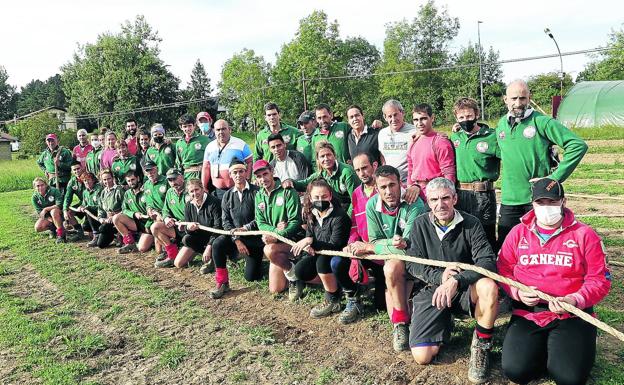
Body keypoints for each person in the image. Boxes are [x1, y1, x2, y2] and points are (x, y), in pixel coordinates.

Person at [497, 178, 611, 385]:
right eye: (541, 203)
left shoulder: (584, 235)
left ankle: (578, 343)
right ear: (532, 204)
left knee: (569, 378)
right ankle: (544, 349)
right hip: (529, 313)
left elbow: (600, 279)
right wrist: (517, 293)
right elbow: (503, 270)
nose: (546, 208)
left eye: (552, 202)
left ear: (563, 202)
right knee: (516, 371)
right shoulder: (518, 233)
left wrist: (576, 299)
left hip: (571, 314)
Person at [404, 177, 499, 384]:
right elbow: (412, 264)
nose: (440, 204)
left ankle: (481, 346)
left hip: (463, 288)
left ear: (455, 198)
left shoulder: (471, 223)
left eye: (445, 198)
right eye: (434, 199)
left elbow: (488, 262)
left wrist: (456, 280)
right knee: (422, 357)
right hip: (432, 289)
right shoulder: (420, 224)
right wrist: (440, 277)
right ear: (428, 202)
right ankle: (443, 320)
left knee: (488, 287)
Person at [496, 79, 587, 249]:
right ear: (505, 100)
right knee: (506, 246)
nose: (518, 103)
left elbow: (578, 145)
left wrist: (554, 178)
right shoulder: (501, 125)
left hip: (537, 198)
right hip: (509, 199)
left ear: (529, 98)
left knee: (539, 245)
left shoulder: (542, 122)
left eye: (522, 98)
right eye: (514, 98)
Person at [348, 165, 425, 352]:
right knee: (391, 269)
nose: (388, 191)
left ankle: (413, 300)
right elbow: (375, 240)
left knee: (392, 266)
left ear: (401, 184)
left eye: (392, 185)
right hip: (392, 261)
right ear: (376, 187)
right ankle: (400, 324)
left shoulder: (415, 204)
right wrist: (379, 245)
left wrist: (370, 247)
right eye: (383, 187)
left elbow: (408, 246)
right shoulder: (371, 205)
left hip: (419, 259)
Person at [336, 152, 386, 324]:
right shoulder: (357, 193)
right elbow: (354, 225)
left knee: (381, 305)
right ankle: (354, 298)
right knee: (338, 263)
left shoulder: (385, 189)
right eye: (357, 170)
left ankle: (377, 288)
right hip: (362, 249)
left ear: (374, 166)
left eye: (365, 168)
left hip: (381, 251)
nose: (362, 173)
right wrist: (352, 244)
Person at [291, 179, 351, 318]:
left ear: (330, 195)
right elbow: (310, 235)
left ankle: (333, 299)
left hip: (339, 256)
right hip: (320, 253)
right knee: (301, 270)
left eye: (324, 196)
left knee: (322, 261)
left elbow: (335, 245)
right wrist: (309, 246)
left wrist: (311, 241)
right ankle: (335, 286)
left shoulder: (340, 216)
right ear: (310, 198)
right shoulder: (312, 213)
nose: (320, 200)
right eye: (316, 197)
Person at [210, 159, 265, 298]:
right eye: (235, 172)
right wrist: (237, 239)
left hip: (254, 238)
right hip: (236, 238)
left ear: (246, 172)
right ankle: (222, 282)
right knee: (218, 243)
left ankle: (261, 264)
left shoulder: (257, 192)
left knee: (251, 277)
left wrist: (246, 228)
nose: (238, 175)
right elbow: (225, 220)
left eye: (241, 171)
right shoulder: (227, 195)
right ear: (230, 174)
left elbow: (261, 217)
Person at [450, 97, 500, 249]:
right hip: (461, 193)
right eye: (462, 117)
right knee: (463, 233)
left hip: (483, 194)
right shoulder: (455, 137)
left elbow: (510, 155)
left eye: (469, 116)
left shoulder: (492, 136)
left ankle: (487, 269)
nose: (466, 120)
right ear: (456, 118)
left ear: (477, 114)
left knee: (486, 234)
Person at [253, 160, 304, 300]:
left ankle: (294, 277)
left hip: (293, 239)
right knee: (275, 289)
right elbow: (260, 222)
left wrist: (277, 236)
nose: (263, 179)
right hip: (274, 240)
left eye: (265, 174)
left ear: (272, 172)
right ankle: (293, 270)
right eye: (259, 176)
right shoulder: (258, 195)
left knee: (269, 250)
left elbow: (295, 221)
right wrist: (275, 230)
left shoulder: (288, 191)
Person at [285, 141, 359, 214]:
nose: (326, 159)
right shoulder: (321, 173)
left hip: (352, 209)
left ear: (334, 155)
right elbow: (304, 184)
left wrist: (348, 219)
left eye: (328, 155)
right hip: (335, 210)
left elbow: (356, 199)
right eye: (322, 156)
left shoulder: (347, 172)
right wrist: (290, 181)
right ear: (318, 159)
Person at [406, 103, 456, 201]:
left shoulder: (440, 141)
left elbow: (449, 173)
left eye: (423, 118)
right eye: (416, 120)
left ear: (432, 118)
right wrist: (409, 188)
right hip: (416, 194)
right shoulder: (413, 141)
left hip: (436, 194)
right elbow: (410, 169)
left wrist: (447, 198)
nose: (419, 123)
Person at [171, 179, 222, 269]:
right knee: (178, 263)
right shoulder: (188, 205)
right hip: (199, 239)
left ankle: (213, 258)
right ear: (188, 193)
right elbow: (188, 228)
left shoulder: (214, 203)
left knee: (217, 242)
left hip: (214, 238)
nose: (195, 193)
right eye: (191, 191)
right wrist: (189, 229)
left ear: (202, 189)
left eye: (197, 189)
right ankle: (203, 258)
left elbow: (218, 227)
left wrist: (209, 246)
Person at [201, 119, 253, 199]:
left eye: (223, 129)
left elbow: (250, 162)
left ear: (230, 130)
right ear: (214, 131)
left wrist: (248, 179)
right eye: (218, 130)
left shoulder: (240, 144)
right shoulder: (210, 147)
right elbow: (206, 167)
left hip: (236, 189)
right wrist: (204, 186)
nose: (221, 132)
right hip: (217, 191)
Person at [152, 169, 187, 268]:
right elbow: (165, 210)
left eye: (174, 179)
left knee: (180, 264)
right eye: (170, 180)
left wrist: (185, 222)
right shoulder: (170, 192)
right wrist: (167, 218)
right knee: (155, 227)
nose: (173, 182)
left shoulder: (190, 191)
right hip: (176, 227)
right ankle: (172, 254)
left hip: (190, 228)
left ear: (182, 177)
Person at [113, 170, 154, 254]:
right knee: (116, 218)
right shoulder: (127, 193)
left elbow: (152, 210)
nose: (131, 183)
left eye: (133, 180)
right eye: (128, 181)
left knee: (142, 248)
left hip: (149, 223)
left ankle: (152, 238)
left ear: (138, 178)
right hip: (136, 222)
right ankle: (130, 243)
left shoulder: (146, 191)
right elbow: (124, 209)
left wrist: (148, 225)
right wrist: (134, 214)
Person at [377, 100, 417, 183]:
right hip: (390, 182)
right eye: (389, 116)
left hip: (409, 182)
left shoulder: (414, 131)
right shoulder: (382, 134)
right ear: (385, 117)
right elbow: (382, 156)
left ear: (402, 113)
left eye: (395, 115)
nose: (393, 119)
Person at [142, 160, 169, 258]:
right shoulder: (146, 184)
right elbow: (148, 202)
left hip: (165, 215)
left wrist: (161, 214)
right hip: (152, 216)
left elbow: (170, 201)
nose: (150, 173)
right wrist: (149, 209)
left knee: (160, 251)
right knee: (145, 248)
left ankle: (169, 249)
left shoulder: (166, 181)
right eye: (147, 171)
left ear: (156, 168)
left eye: (152, 170)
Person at [94, 169, 125, 248]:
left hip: (119, 218)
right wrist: (101, 218)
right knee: (100, 244)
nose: (107, 181)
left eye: (109, 178)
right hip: (108, 220)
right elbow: (100, 208)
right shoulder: (103, 192)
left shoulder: (119, 190)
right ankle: (113, 236)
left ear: (113, 178)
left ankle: (120, 235)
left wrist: (114, 216)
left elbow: (125, 207)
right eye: (104, 179)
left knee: (102, 228)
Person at [36, 133, 72, 199]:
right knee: (52, 198)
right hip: (51, 180)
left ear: (57, 141)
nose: (51, 143)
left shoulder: (64, 152)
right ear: (46, 142)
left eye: (52, 140)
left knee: (63, 199)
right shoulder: (45, 153)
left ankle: (64, 209)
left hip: (62, 180)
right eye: (48, 141)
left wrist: (60, 164)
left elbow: (70, 166)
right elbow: (39, 163)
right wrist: (45, 170)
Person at [175, 114, 211, 180]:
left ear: (194, 125)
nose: (188, 129)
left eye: (190, 126)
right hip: (187, 176)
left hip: (202, 174)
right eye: (185, 126)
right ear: (181, 127)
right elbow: (178, 163)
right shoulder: (179, 143)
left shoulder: (204, 140)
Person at [31, 177, 66, 243]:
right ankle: (53, 229)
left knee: (53, 211)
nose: (40, 187)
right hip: (48, 216)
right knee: (38, 228)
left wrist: (46, 209)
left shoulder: (54, 191)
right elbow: (39, 212)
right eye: (38, 186)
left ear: (46, 185)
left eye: (42, 185)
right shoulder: (34, 197)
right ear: (34, 187)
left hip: (59, 213)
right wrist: (51, 219)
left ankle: (61, 235)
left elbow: (59, 205)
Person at [77, 172, 103, 247]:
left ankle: (96, 235)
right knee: (85, 226)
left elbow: (101, 205)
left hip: (100, 213)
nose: (87, 182)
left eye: (88, 180)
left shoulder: (99, 189)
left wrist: (88, 207)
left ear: (93, 180)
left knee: (89, 209)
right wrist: (81, 207)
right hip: (90, 215)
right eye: (85, 181)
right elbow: (84, 203)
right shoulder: (85, 192)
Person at [62, 160, 86, 239]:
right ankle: (79, 231)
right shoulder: (72, 182)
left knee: (88, 229)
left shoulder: (89, 177)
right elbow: (67, 197)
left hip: (92, 205)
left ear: (82, 167)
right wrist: (65, 210)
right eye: (74, 170)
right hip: (81, 204)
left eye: (78, 168)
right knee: (69, 212)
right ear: (72, 171)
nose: (76, 171)